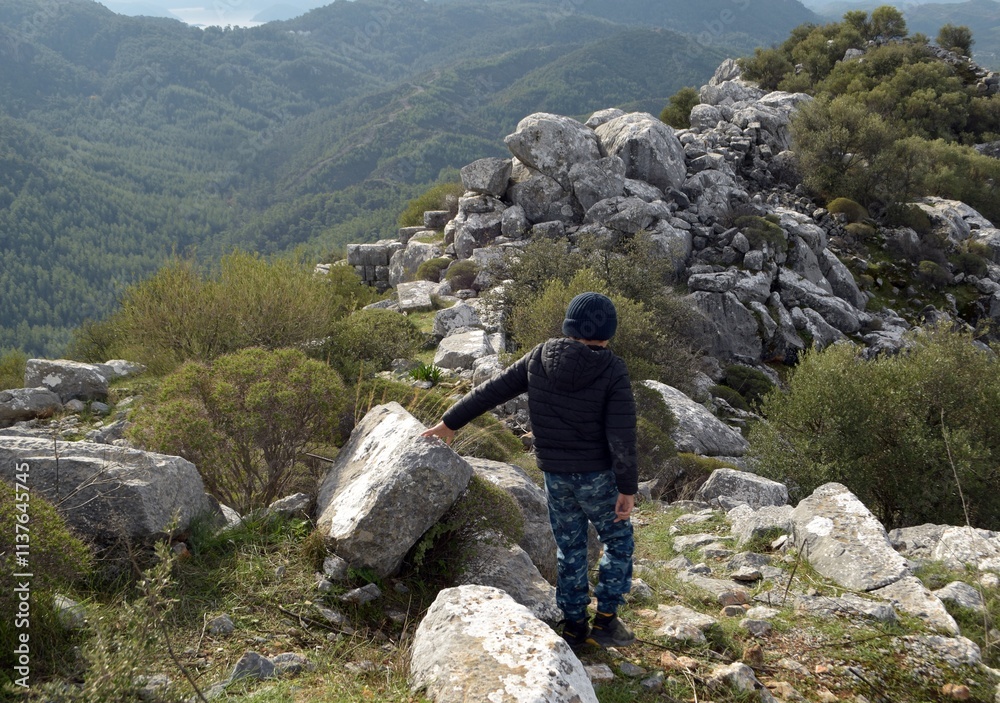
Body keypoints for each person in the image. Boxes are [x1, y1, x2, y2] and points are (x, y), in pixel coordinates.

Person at [421, 291, 638, 649]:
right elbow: (622, 434)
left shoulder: (541, 356)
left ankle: (573, 627)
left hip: (555, 476)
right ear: (608, 333)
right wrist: (627, 487)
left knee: (570, 549)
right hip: (597, 477)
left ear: (569, 327)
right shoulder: (611, 368)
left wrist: (449, 423)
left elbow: (490, 392)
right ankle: (607, 622)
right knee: (617, 541)